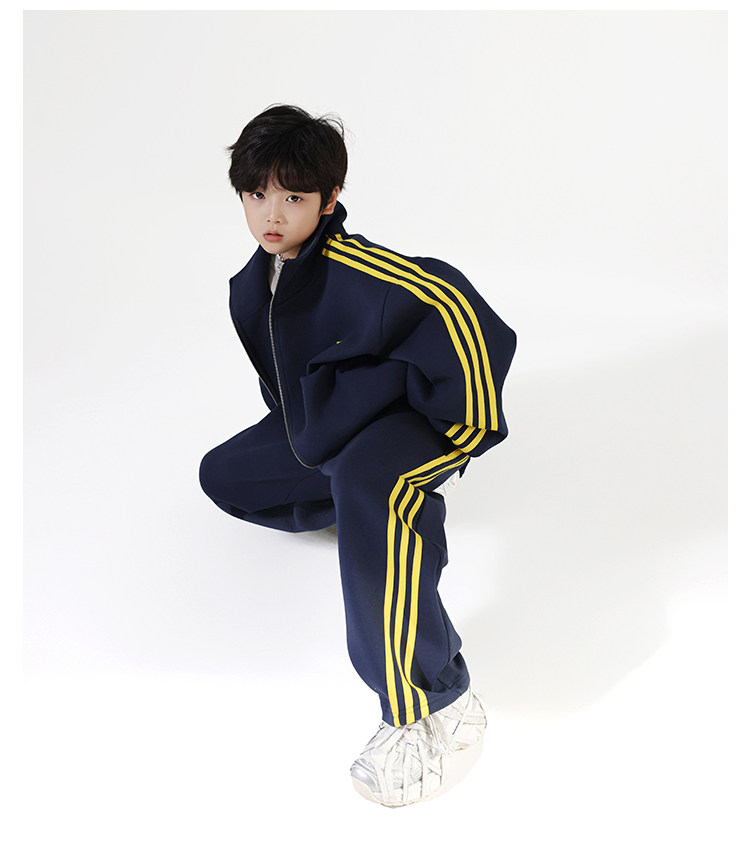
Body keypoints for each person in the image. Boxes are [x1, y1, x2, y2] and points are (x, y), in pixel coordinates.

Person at [199, 104, 517, 807]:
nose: (271, 214)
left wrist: (465, 428)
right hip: (336, 428)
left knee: (373, 486)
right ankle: (358, 503)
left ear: (329, 199)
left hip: (411, 426)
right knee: (223, 475)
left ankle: (434, 702)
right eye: (257, 194)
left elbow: (464, 312)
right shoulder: (252, 288)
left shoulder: (357, 268)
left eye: (293, 198)